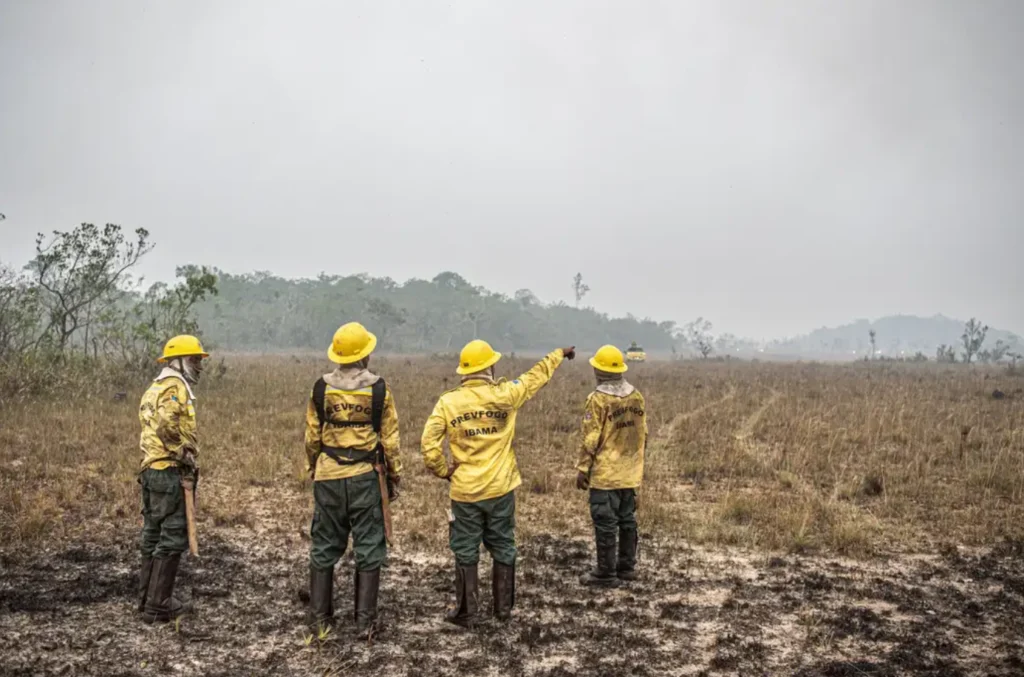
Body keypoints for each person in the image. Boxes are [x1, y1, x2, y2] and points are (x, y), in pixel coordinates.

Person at [421, 340, 575, 627]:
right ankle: (503, 610)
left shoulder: (449, 402)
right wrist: (558, 354)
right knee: (503, 544)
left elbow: (429, 445)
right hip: (501, 488)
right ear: (490, 367)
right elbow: (535, 377)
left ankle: (467, 612)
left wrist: (443, 470)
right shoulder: (507, 394)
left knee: (465, 549)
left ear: (464, 371)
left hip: (465, 492)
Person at [304, 322, 401, 639]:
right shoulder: (379, 389)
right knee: (369, 546)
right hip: (366, 477)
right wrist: (394, 476)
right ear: (365, 355)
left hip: (328, 476)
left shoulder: (321, 388)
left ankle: (320, 621)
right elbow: (390, 441)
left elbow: (312, 438)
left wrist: (314, 468)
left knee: (324, 545)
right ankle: (365, 623)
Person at [137, 334, 209, 623]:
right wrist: (183, 454)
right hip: (168, 471)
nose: (199, 366)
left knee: (153, 534)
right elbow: (168, 425)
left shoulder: (153, 387)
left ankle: (146, 600)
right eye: (194, 359)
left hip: (150, 470)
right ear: (177, 361)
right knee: (173, 535)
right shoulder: (174, 387)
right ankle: (159, 604)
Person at [575, 345, 648, 586]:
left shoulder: (597, 400)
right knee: (627, 520)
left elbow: (591, 438)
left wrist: (583, 468)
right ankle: (626, 567)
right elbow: (643, 434)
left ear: (598, 370)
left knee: (605, 523)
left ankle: (605, 574)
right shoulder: (636, 396)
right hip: (630, 473)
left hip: (606, 475)